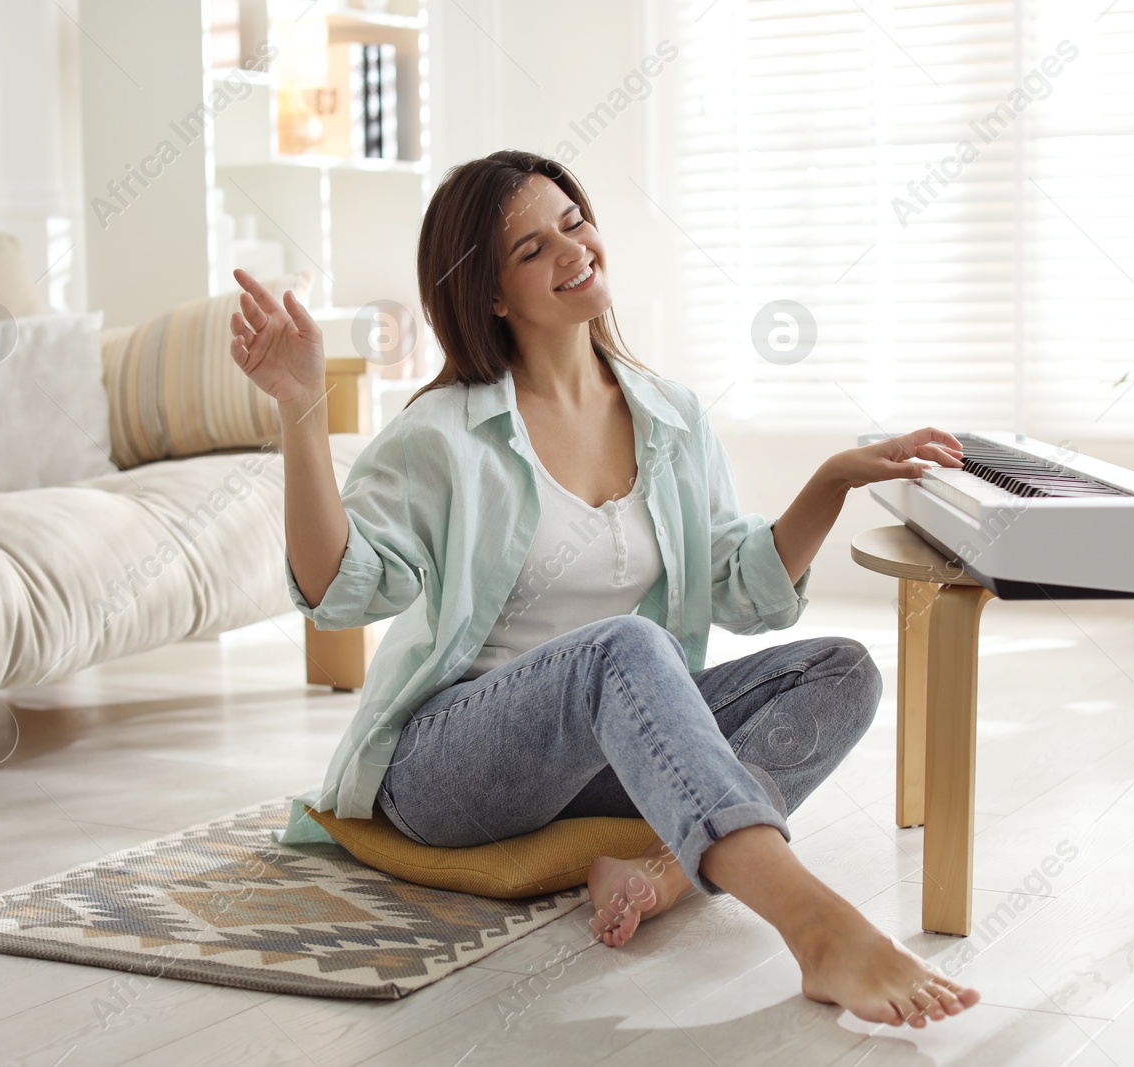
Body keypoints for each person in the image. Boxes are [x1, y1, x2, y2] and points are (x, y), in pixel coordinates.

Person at [229, 149, 980, 1028]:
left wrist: (832, 481)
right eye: (532, 248)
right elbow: (337, 592)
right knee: (628, 646)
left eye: (574, 222)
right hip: (448, 764)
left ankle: (662, 872)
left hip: (604, 752)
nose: (572, 250)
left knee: (841, 667)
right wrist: (301, 407)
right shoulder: (443, 433)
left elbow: (746, 589)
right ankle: (814, 922)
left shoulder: (671, 415)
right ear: (493, 296)